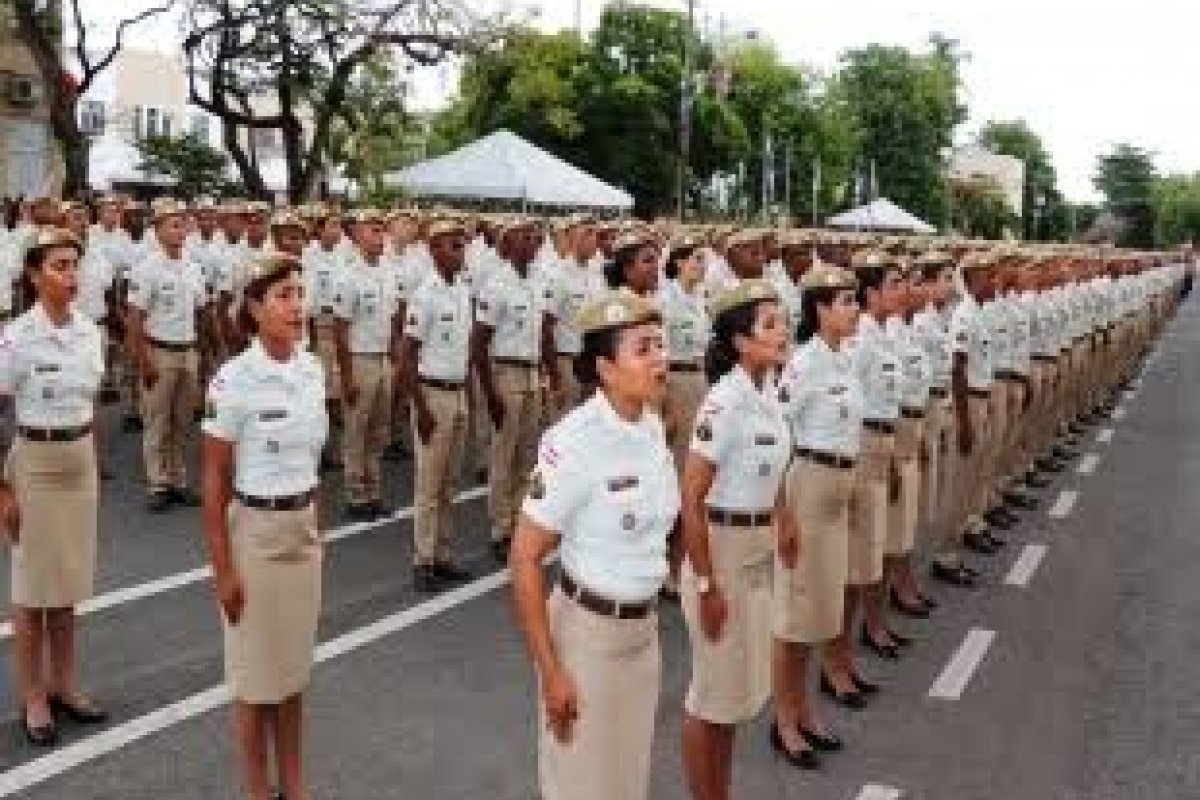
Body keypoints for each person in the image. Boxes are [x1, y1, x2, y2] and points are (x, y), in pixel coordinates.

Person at [510, 289, 677, 800]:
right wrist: (552, 671)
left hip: (642, 636)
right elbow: (524, 557)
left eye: (660, 345)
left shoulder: (650, 427)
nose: (660, 359)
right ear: (605, 367)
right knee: (582, 786)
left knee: (627, 782)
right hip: (588, 641)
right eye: (643, 348)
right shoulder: (574, 443)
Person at [200, 253, 326, 800]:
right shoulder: (233, 380)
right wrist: (222, 569)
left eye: (300, 292)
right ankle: (258, 789)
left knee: (293, 675)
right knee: (255, 683)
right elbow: (214, 477)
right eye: (283, 295)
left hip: (300, 535)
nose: (297, 305)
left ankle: (293, 786)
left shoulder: (312, 368)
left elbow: (311, 462)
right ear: (254, 307)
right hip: (254, 535)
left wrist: (313, 527)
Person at [678, 280, 796, 798]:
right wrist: (706, 586)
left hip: (754, 552)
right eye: (769, 324)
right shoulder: (723, 404)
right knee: (711, 700)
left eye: (781, 320)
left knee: (735, 701)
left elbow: (767, 470)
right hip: (720, 554)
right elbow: (691, 499)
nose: (782, 331)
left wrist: (783, 517)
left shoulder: (769, 392)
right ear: (742, 341)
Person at [0, 228, 108, 747]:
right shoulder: (18, 336)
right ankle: (33, 695)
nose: (70, 276)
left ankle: (64, 683)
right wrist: (3, 491)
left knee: (66, 582)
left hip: (78, 460)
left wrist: (93, 465)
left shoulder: (90, 332)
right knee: (31, 588)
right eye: (59, 266)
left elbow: (89, 408)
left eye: (74, 265)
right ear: (34, 275)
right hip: (35, 463)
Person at [773, 260, 861, 762]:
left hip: (836, 489)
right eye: (845, 302)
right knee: (794, 614)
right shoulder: (803, 365)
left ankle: (803, 708)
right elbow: (782, 439)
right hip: (806, 486)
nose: (854, 309)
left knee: (818, 612)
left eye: (853, 299)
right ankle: (785, 721)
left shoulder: (844, 359)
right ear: (819, 310)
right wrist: (782, 515)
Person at [397, 219, 474, 592]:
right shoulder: (424, 295)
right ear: (434, 250)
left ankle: (443, 555)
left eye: (462, 245)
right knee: (428, 484)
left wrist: (469, 398)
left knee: (450, 483)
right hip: (432, 395)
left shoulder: (462, 290)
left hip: (457, 393)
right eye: (453, 246)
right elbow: (407, 355)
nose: (461, 253)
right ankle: (422, 560)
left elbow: (466, 351)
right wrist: (421, 407)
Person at [472, 220, 553, 561]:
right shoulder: (497, 284)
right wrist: (490, 393)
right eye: (525, 238)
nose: (532, 244)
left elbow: (543, 334)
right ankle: (500, 528)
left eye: (536, 239)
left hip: (531, 372)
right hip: (505, 371)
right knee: (503, 455)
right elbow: (479, 343)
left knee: (527, 454)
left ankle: (520, 521)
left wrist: (549, 375)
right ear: (509, 242)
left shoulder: (537, 281)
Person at [126, 198, 207, 513]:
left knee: (183, 422)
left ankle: (178, 480)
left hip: (187, 352)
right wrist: (143, 361)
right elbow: (135, 319)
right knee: (157, 421)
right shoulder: (146, 268)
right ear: (157, 230)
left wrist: (201, 350)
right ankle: (158, 484)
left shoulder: (192, 266)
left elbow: (201, 310)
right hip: (159, 351)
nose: (181, 230)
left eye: (183, 223)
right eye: (173, 224)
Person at [334, 209, 402, 521]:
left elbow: (392, 321)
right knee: (356, 431)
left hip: (383, 359)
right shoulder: (349, 276)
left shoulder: (387, 272)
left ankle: (373, 493)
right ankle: (355, 495)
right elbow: (340, 329)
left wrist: (395, 361)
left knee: (378, 432)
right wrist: (346, 377)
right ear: (358, 236)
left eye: (381, 231)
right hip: (360, 360)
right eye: (373, 231)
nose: (379, 237)